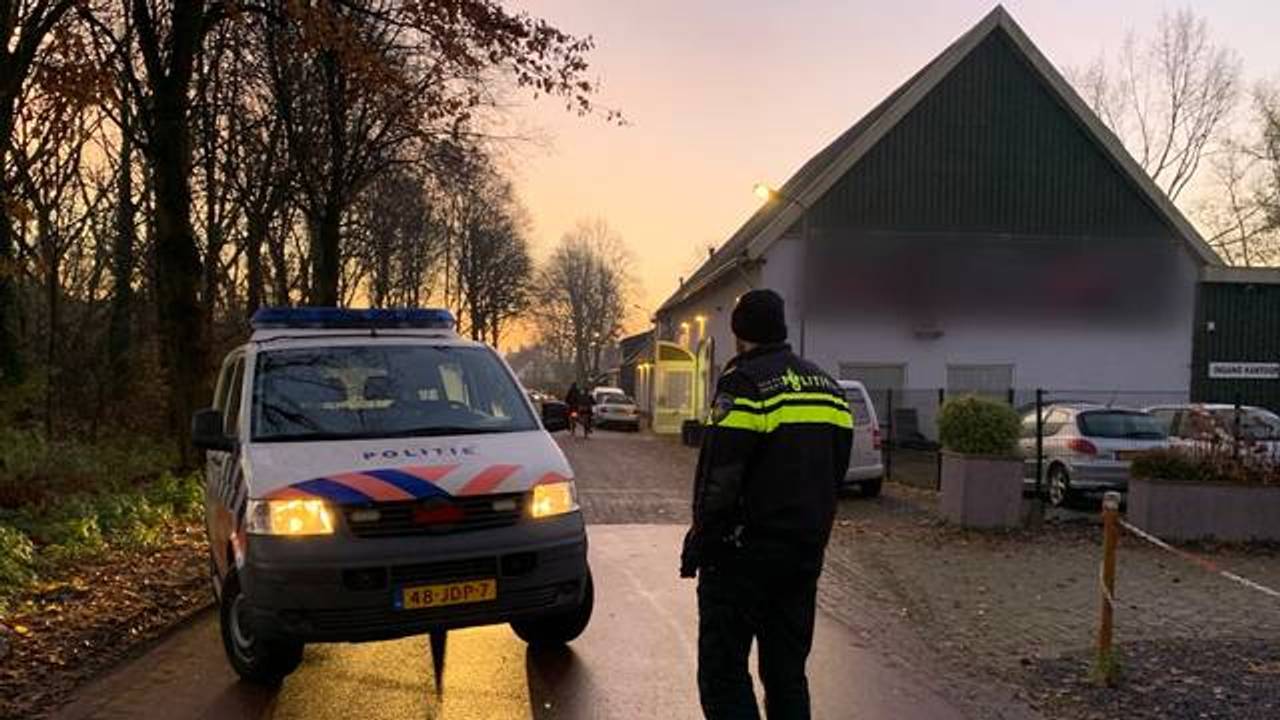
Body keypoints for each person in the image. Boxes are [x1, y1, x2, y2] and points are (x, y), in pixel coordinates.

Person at [680, 289, 853, 720]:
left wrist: (701, 539)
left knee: (723, 673)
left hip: (742, 558)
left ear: (739, 333)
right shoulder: (829, 390)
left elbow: (719, 477)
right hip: (803, 556)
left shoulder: (744, 384)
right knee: (787, 674)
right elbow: (836, 471)